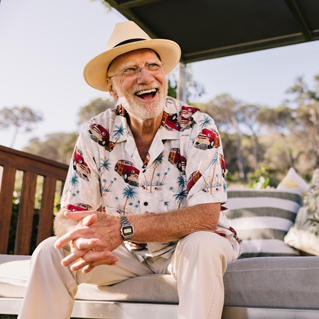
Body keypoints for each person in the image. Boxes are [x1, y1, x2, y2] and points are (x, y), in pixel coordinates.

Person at [18, 21, 241, 319]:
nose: (145, 77)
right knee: (49, 253)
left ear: (164, 75)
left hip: (186, 247)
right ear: (112, 88)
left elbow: (205, 217)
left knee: (202, 244)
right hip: (127, 254)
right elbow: (69, 216)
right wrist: (84, 238)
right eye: (130, 70)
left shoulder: (199, 126)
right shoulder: (96, 132)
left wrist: (122, 227)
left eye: (153, 66)